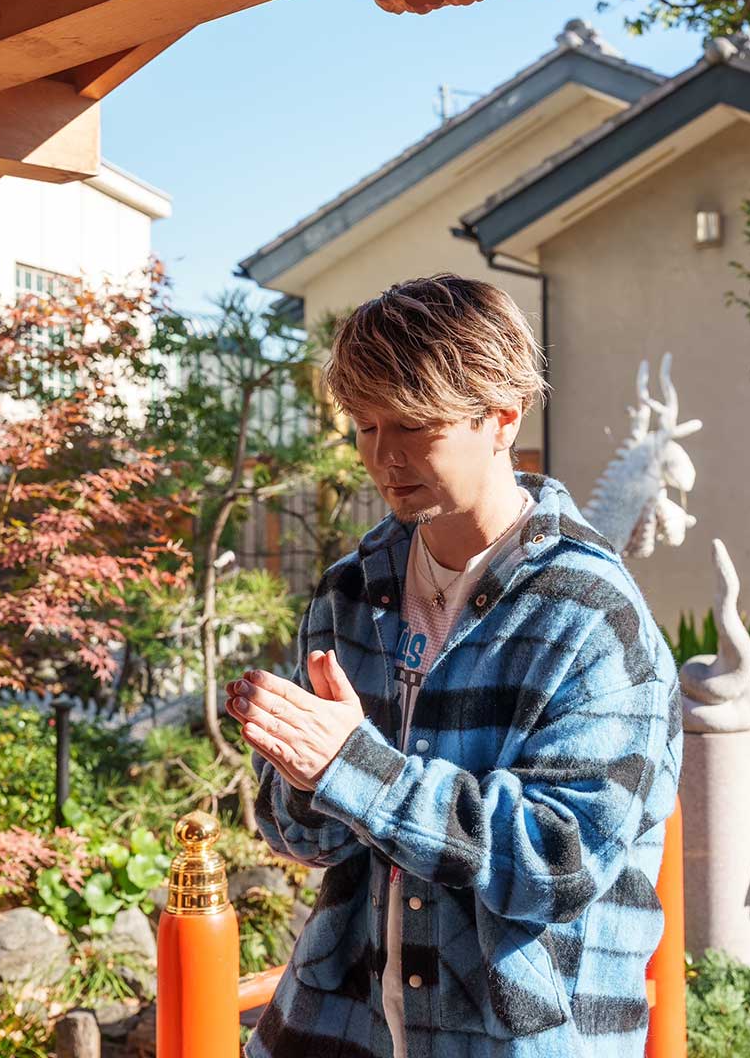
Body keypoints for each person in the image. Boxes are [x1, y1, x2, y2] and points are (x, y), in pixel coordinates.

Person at [226, 273, 683, 1058]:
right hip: (341, 1026)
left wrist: (353, 768)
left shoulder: (588, 615)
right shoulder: (353, 590)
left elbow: (560, 864)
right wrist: (303, 777)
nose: (385, 457)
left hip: (523, 1037)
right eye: (365, 427)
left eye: (414, 426)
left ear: (503, 416)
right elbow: (302, 840)